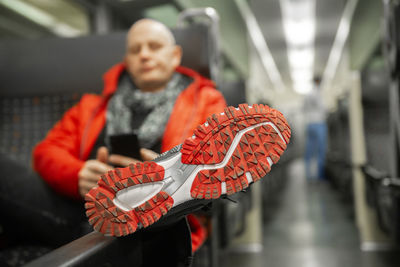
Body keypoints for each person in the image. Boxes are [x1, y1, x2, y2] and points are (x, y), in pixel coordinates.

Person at [0, 18, 227, 266]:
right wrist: (78, 175)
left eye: (154, 46)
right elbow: (46, 152)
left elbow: (219, 169)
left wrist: (168, 176)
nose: (144, 55)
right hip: (81, 209)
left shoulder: (206, 101)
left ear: (175, 55)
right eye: (135, 49)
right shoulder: (93, 106)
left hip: (156, 223)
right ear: (127, 60)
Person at [303, 76, 327, 181]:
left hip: (309, 124)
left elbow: (303, 109)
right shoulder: (318, 93)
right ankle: (319, 175)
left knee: (309, 151)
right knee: (320, 150)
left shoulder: (307, 94)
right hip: (319, 123)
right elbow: (323, 108)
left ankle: (308, 175)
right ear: (320, 82)